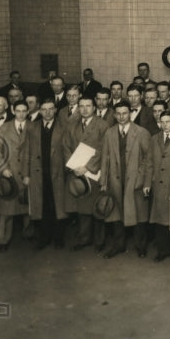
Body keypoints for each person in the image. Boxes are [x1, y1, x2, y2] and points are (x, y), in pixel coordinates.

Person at [99, 101, 151, 259]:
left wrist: (141, 179)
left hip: (135, 181)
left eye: (125, 113)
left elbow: (148, 160)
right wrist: (103, 181)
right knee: (116, 214)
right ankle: (119, 245)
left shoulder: (141, 132)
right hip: (116, 179)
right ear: (114, 115)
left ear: (130, 114)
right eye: (118, 113)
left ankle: (141, 246)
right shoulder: (109, 133)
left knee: (138, 215)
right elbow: (105, 158)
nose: (122, 117)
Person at [61, 94, 108, 250]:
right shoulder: (72, 125)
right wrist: (74, 166)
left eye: (88, 106)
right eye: (81, 106)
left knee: (96, 206)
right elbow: (66, 146)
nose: (85, 109)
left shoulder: (102, 125)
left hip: (94, 171)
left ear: (94, 108)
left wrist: (87, 167)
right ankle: (84, 238)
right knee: (82, 208)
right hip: (77, 172)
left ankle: (100, 241)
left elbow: (103, 149)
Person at [23, 99, 68, 249]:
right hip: (38, 173)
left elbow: (69, 150)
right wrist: (26, 174)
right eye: (44, 109)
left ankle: (59, 238)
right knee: (41, 206)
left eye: (50, 109)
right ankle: (43, 238)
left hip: (58, 172)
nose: (47, 112)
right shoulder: (32, 127)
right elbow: (27, 151)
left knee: (58, 206)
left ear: (55, 110)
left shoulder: (64, 127)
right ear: (39, 111)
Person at [146, 111, 170, 263]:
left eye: (168, 121)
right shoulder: (154, 138)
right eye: (162, 122)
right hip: (158, 186)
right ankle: (163, 251)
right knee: (160, 222)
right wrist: (147, 183)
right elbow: (149, 162)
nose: (165, 125)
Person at [0, 99, 30, 251]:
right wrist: (2, 169)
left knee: (28, 208)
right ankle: (2, 240)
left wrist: (30, 174)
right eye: (18, 111)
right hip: (9, 175)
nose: (21, 114)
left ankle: (28, 234)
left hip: (27, 175)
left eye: (24, 111)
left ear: (28, 112)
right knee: (6, 211)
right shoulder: (5, 128)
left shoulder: (33, 127)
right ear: (13, 111)